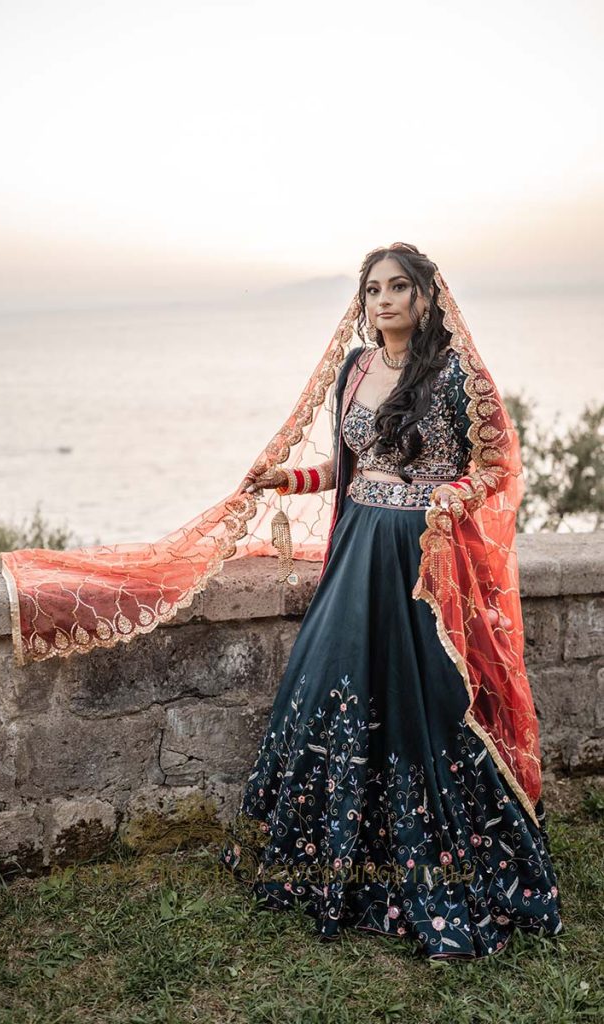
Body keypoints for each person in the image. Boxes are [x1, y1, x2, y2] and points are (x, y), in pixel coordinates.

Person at [217, 243, 564, 960]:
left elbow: (496, 467)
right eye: (372, 288)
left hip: (421, 557)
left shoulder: (454, 374)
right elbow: (350, 469)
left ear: (424, 296)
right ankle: (326, 864)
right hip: (358, 552)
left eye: (397, 287)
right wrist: (288, 479)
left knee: (425, 699)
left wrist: (448, 497)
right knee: (332, 681)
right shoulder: (355, 369)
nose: (383, 300)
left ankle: (448, 866)